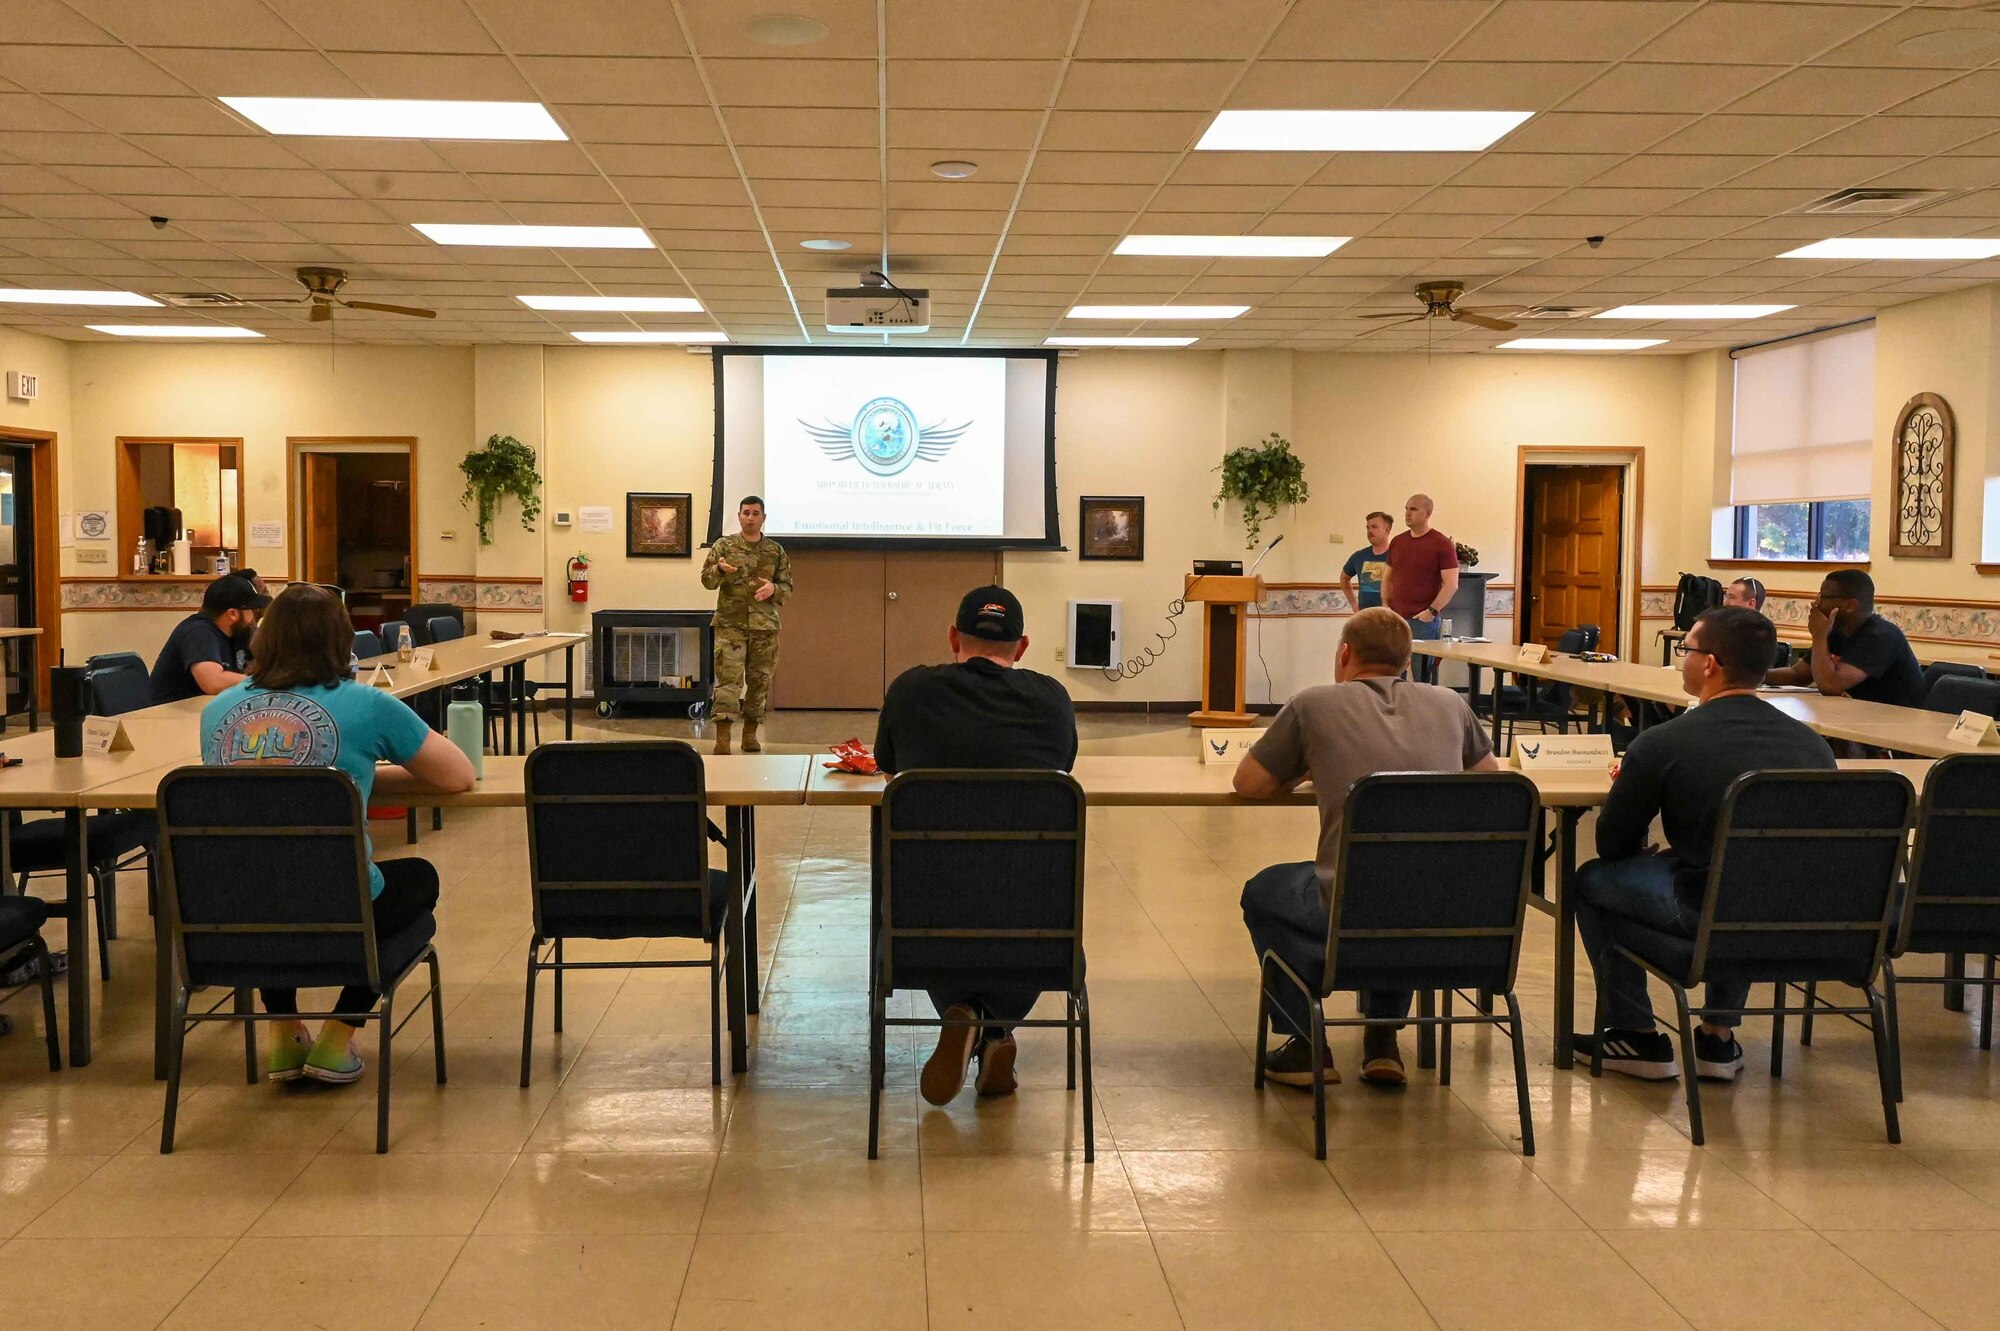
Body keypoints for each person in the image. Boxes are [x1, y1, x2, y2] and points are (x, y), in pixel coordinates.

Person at [202, 584, 476, 1084]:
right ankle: (337, 1036)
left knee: (270, 869)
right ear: (341, 642)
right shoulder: (365, 703)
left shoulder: (217, 712)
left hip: (237, 909)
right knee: (416, 879)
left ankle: (283, 1030)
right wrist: (359, 776)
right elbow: (457, 776)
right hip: (341, 908)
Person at [1234, 607, 1497, 1087]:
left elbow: (1249, 783)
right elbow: (1489, 787)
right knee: (1401, 873)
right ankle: (1382, 1041)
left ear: (1344, 654)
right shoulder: (1450, 705)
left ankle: (1304, 1041)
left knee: (1265, 891)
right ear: (1408, 660)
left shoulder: (1313, 703)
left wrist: (1311, 765)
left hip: (1349, 905)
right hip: (1443, 908)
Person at [1572, 606, 1835, 1082]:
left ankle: (1637, 1034)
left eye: (1685, 650)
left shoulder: (1663, 742)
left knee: (1593, 880)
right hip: (1802, 917)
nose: (1682, 659)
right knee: (1747, 872)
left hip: (1705, 911)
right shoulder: (1811, 745)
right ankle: (1718, 1035)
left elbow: (1613, 843)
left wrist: (1650, 854)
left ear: (1709, 663)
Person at [874, 585, 1078, 1105]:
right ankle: (994, 1030)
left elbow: (886, 763)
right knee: (1011, 896)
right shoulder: (1052, 700)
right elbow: (1064, 768)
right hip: (1033, 922)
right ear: (1023, 646)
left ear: (952, 638)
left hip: (922, 921)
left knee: (947, 888)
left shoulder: (911, 692)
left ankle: (971, 1019)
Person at [701, 496, 792, 754]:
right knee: (728, 683)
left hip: (764, 629)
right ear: (739, 516)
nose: (750, 518)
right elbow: (707, 581)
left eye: (755, 513)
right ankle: (722, 738)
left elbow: (787, 587)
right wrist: (719, 570)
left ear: (764, 517)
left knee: (759, 682)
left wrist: (773, 588)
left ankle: (750, 734)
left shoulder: (775, 551)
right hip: (731, 626)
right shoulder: (724, 546)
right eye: (746, 513)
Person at [1761, 569, 1923, 708]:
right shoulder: (1836, 631)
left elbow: (1830, 685)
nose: (1816, 604)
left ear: (1850, 605)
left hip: (1895, 726)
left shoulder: (1881, 636)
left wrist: (1818, 635)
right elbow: (1798, 675)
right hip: (1858, 718)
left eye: (1823, 597)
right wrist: (1750, 676)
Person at [148, 573, 270, 704]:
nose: (254, 616)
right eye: (252, 610)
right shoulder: (197, 632)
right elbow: (212, 681)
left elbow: (266, 663)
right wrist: (261, 682)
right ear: (233, 614)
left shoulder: (238, 632)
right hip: (169, 717)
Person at [1381, 494, 1459, 684]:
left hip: (1422, 620)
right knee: (1393, 674)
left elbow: (1451, 583)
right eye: (1406, 508)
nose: (1407, 513)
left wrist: (1431, 611)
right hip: (1396, 618)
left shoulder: (1441, 543)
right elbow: (1387, 576)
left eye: (1413, 509)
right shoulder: (1398, 542)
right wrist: (1385, 605)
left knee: (1422, 676)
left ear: (1427, 513)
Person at [1339, 511, 1394, 612]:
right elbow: (1344, 578)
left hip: (1391, 615)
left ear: (1387, 530)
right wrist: (1354, 604)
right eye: (1368, 528)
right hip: (1365, 615)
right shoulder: (1359, 556)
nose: (1370, 531)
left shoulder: (1397, 555)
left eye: (1374, 527)